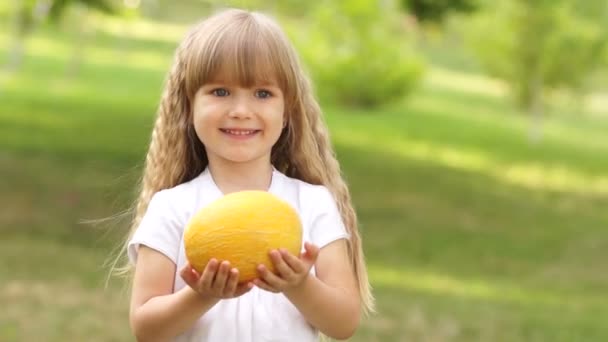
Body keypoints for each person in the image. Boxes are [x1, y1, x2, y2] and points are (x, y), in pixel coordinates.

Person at [118, 8, 373, 342]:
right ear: (189, 105)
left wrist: (299, 284)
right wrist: (203, 294)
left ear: (286, 113)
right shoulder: (172, 207)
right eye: (220, 92)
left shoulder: (311, 203)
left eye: (263, 94)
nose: (240, 111)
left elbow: (344, 324)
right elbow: (146, 329)